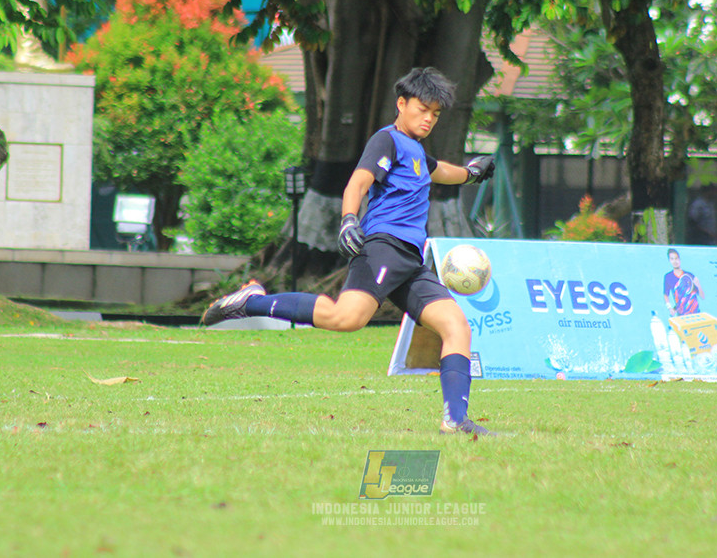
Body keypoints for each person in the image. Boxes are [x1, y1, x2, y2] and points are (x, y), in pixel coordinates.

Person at [201, 67, 497, 436]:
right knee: (346, 319)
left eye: (436, 114)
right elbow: (358, 182)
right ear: (401, 104)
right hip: (383, 250)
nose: (429, 118)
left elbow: (440, 172)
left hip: (411, 262)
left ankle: (455, 419)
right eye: (423, 109)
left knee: (456, 327)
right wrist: (348, 220)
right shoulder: (386, 141)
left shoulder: (417, 152)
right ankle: (252, 301)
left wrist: (471, 173)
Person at [663, 248, 704, 317]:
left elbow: (702, 296)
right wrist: (670, 308)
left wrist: (698, 285)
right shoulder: (668, 277)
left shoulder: (689, 275)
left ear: (680, 260)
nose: (675, 261)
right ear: (669, 260)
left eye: (676, 258)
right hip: (682, 316)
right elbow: (666, 295)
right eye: (672, 259)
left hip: (696, 314)